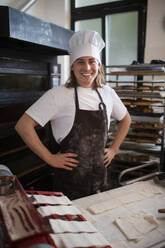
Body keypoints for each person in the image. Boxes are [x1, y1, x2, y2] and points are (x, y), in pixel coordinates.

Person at [15, 30, 131, 200]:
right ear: (72, 66)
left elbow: (126, 119)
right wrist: (49, 158)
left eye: (92, 61)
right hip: (69, 186)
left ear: (99, 65)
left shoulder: (107, 93)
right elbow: (23, 125)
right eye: (80, 62)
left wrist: (113, 149)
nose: (87, 68)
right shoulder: (58, 95)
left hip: (100, 180)